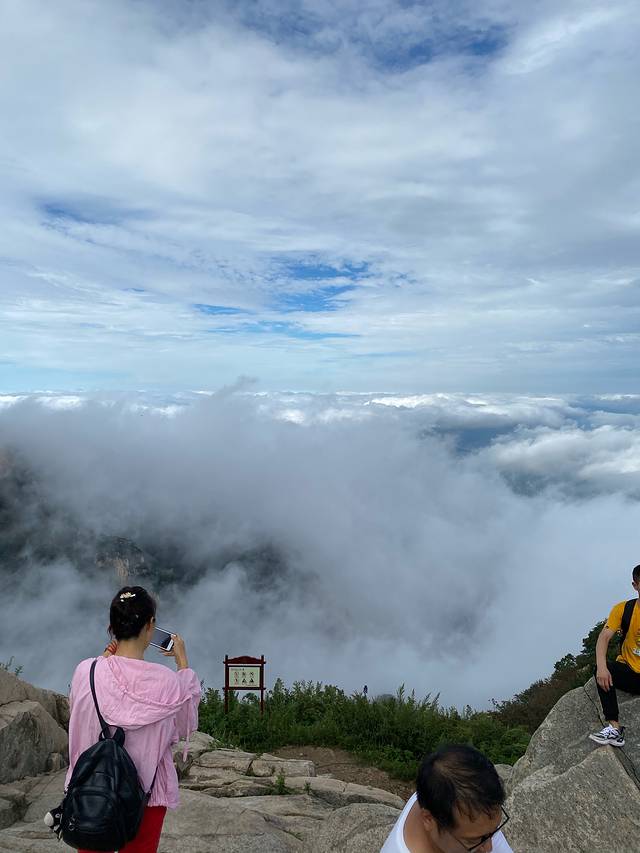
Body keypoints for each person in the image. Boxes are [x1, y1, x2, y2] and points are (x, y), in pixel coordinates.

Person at [64, 585, 201, 853]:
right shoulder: (168, 683)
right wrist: (182, 663)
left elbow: (80, 712)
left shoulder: (86, 671)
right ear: (150, 626)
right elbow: (186, 725)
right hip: (145, 796)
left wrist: (102, 659)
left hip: (92, 791)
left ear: (112, 627)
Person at [380, 744, 512, 853]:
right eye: (472, 841)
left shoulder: (439, 795)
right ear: (428, 819)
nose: (489, 849)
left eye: (494, 831)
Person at [589, 563, 640, 748]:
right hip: (630, 671)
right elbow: (604, 637)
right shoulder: (623, 609)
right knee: (603, 668)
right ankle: (614, 728)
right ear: (635, 585)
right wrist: (601, 668)